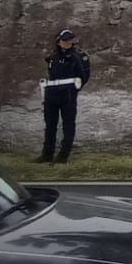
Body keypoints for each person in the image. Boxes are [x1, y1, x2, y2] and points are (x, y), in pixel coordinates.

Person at [37, 28, 90, 164]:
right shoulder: (53, 55)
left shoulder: (77, 56)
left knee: (68, 125)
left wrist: (72, 90)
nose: (67, 43)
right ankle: (47, 154)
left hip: (68, 95)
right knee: (50, 125)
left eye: (69, 40)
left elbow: (83, 77)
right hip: (52, 94)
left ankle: (63, 156)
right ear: (58, 41)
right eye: (64, 40)